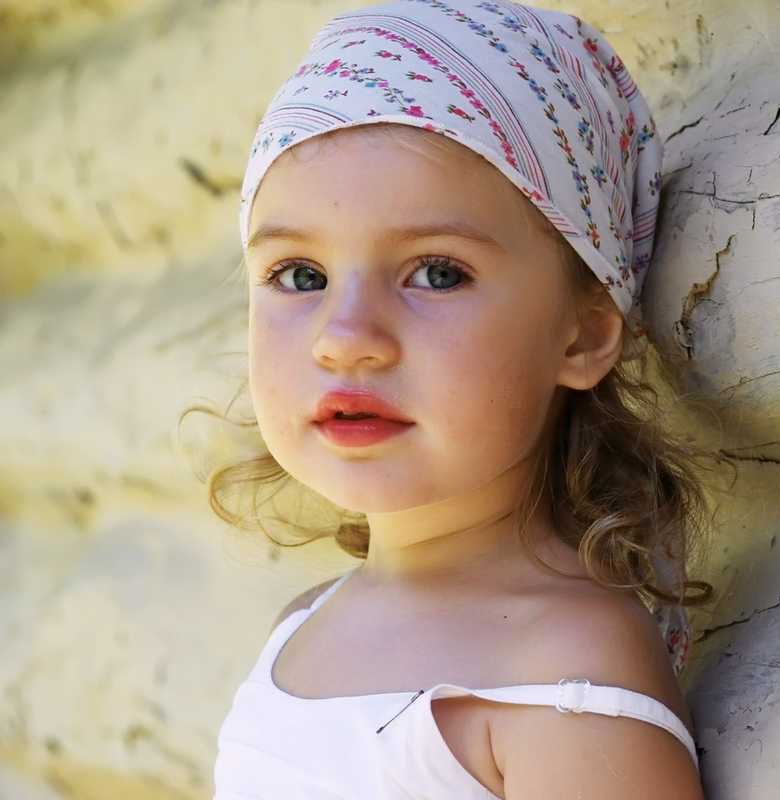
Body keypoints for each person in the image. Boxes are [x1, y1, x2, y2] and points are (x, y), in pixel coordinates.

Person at [207, 1, 729, 797]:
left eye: (437, 272)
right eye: (299, 276)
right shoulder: (304, 624)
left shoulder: (566, 680)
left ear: (583, 335)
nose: (345, 337)